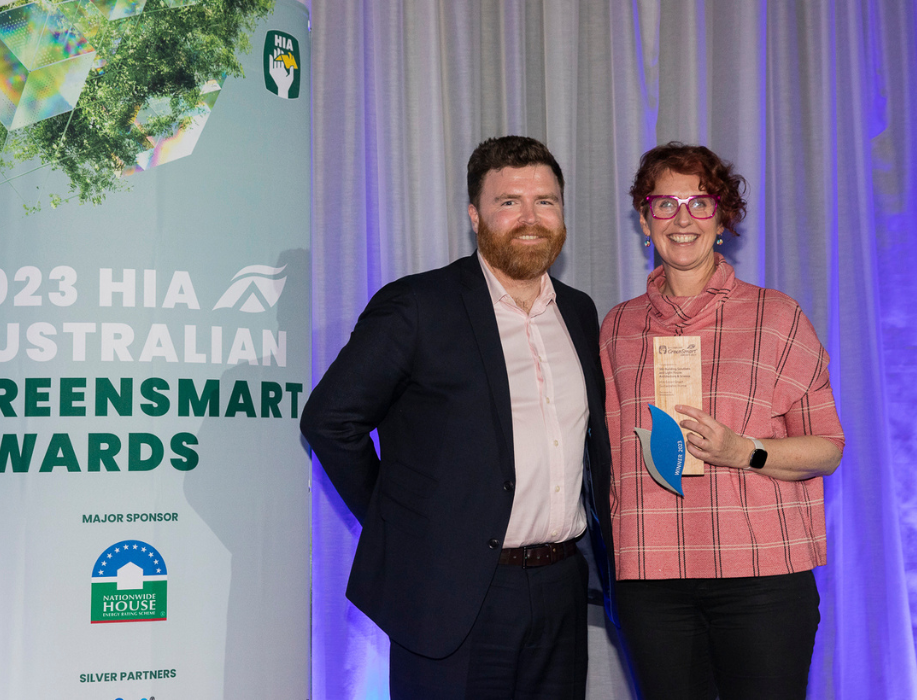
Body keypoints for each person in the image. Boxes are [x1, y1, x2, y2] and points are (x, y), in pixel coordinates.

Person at [301, 135, 615, 699]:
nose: (530, 217)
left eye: (545, 201)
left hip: (561, 589)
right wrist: (404, 525)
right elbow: (329, 420)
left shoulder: (579, 311)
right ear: (475, 215)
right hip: (450, 594)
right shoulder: (418, 306)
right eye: (508, 201)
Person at [599, 142, 844, 700]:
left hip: (762, 579)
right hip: (650, 579)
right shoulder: (616, 328)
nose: (682, 218)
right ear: (644, 219)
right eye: (664, 203)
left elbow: (828, 448)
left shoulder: (777, 316)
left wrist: (745, 452)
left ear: (723, 220)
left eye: (701, 203)